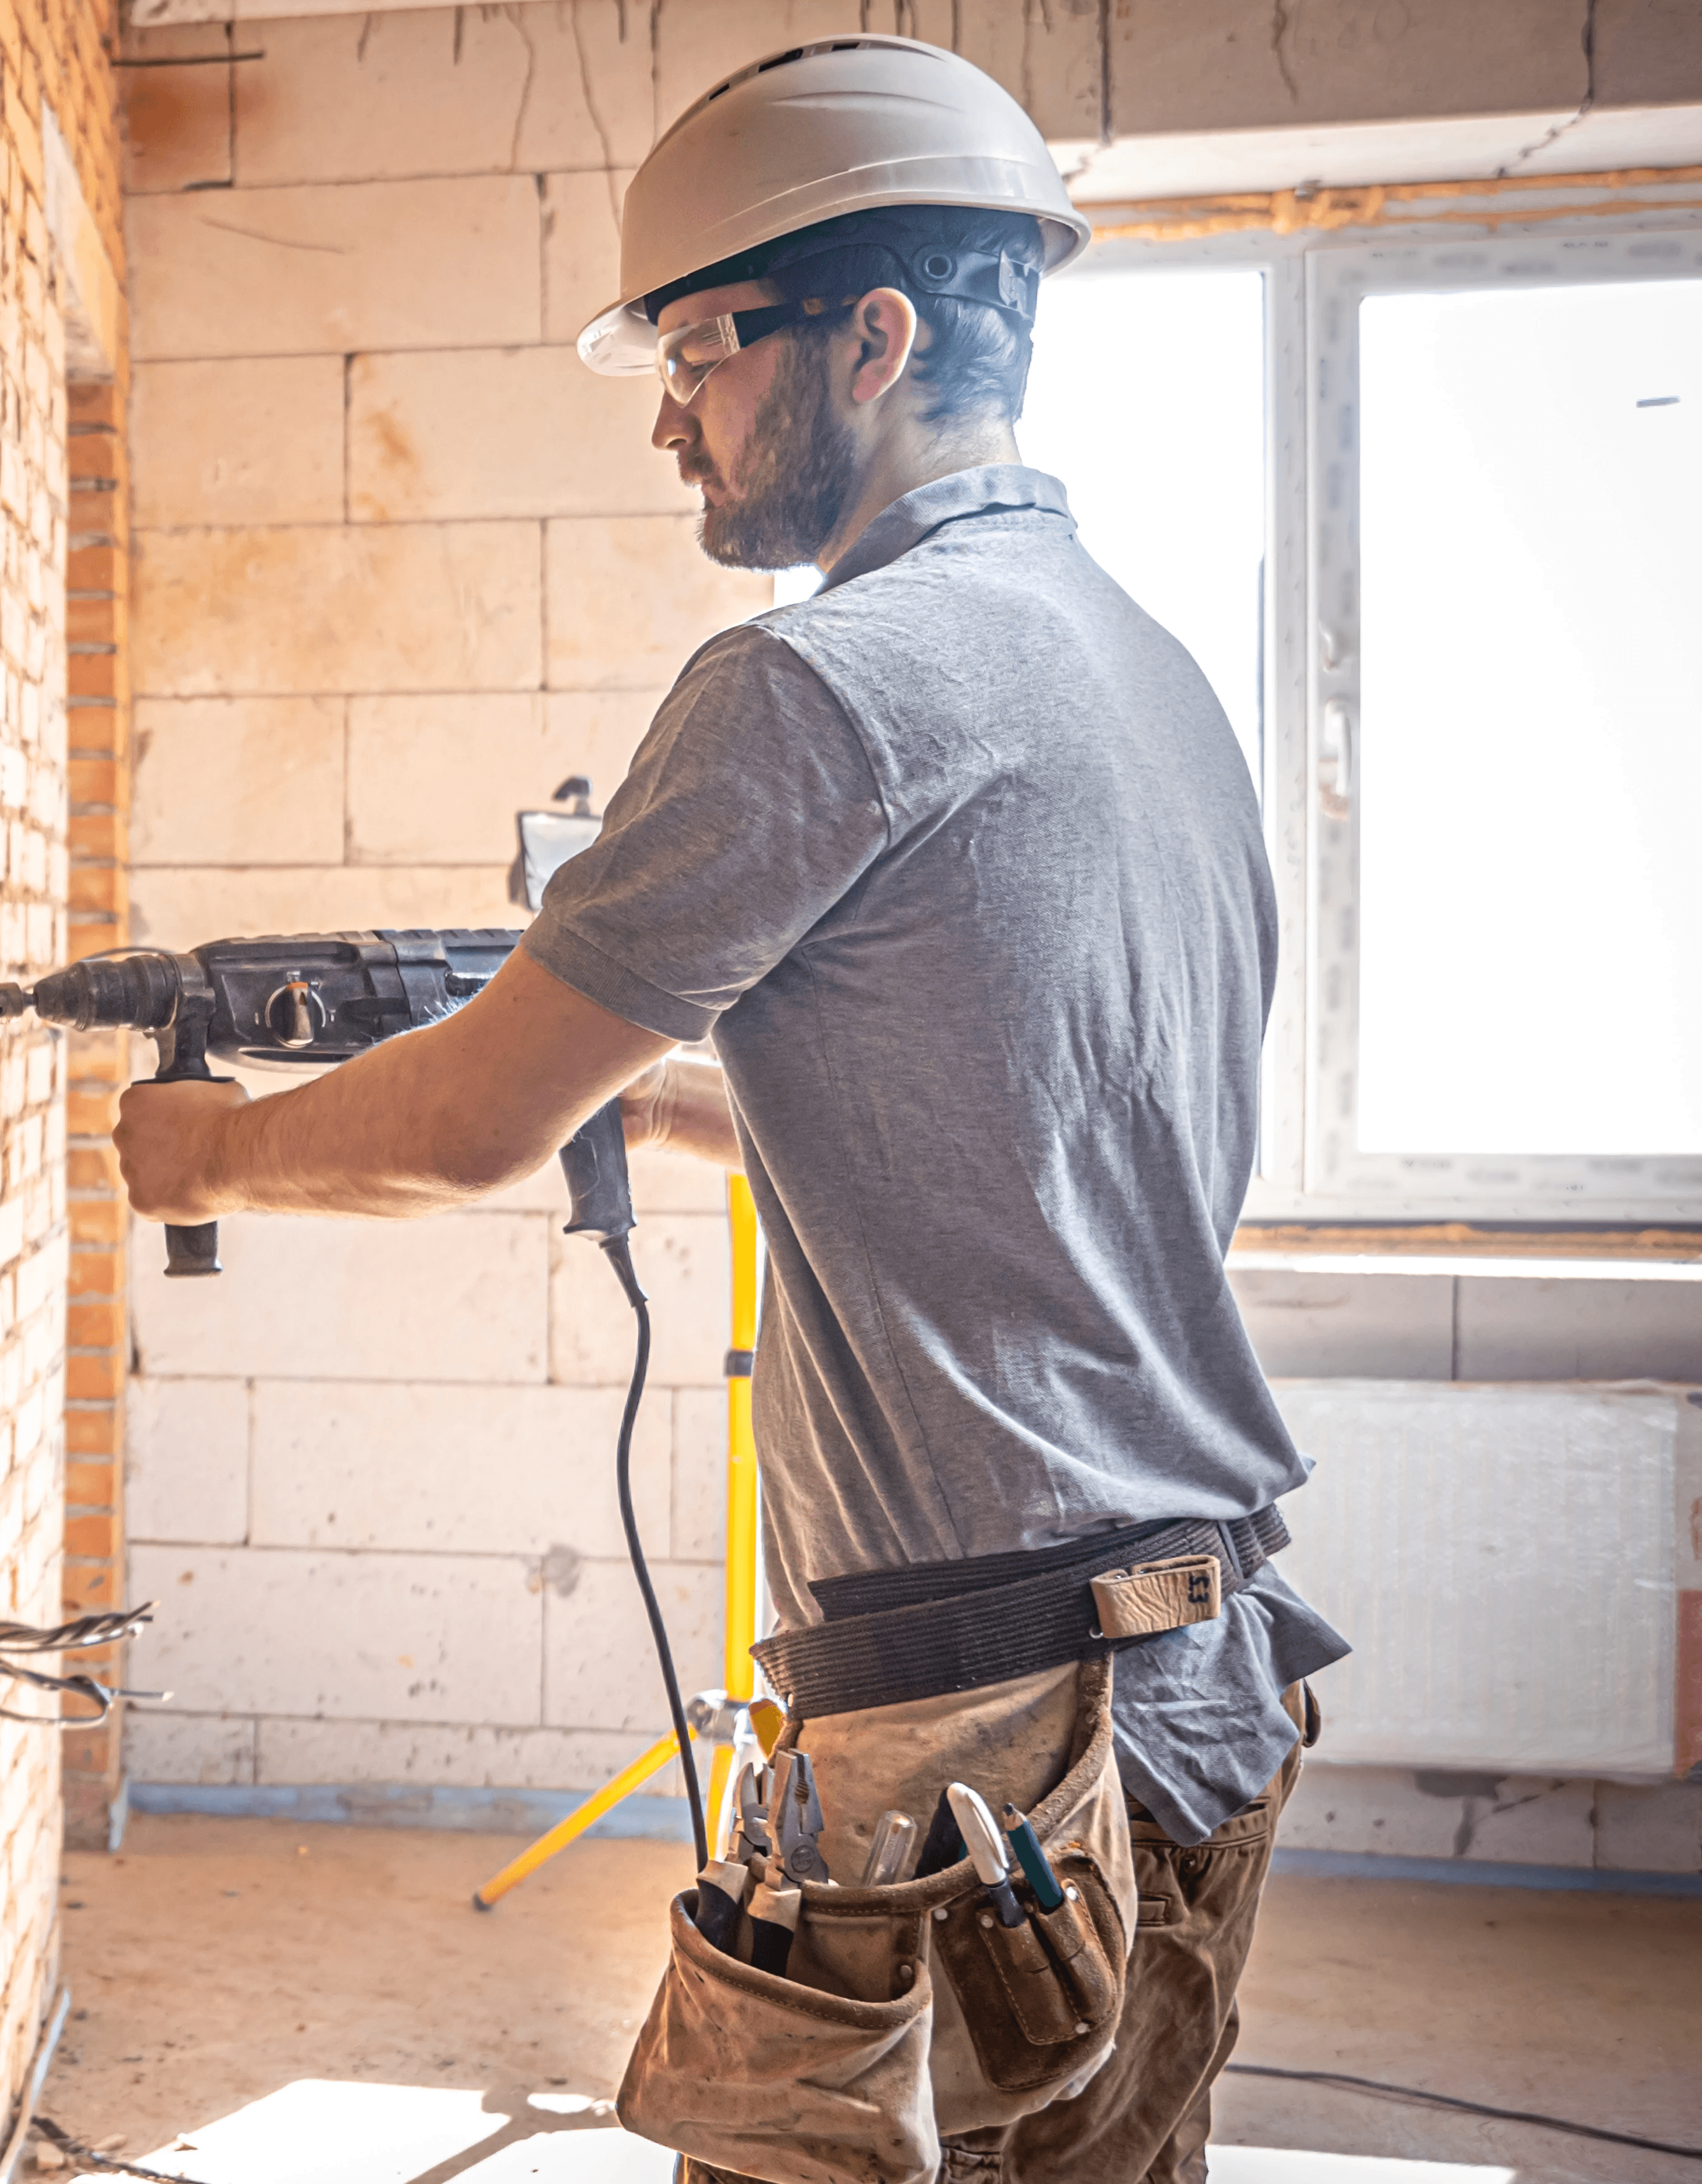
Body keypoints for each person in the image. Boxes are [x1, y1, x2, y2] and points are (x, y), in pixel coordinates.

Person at [115, 34, 1346, 2184]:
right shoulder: (1146, 673)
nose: (670, 414)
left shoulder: (815, 680)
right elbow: (1013, 1107)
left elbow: (476, 1118)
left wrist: (203, 1152)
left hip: (973, 1778)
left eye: (698, 347)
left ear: (873, 335)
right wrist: (690, 1114)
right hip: (1199, 1706)